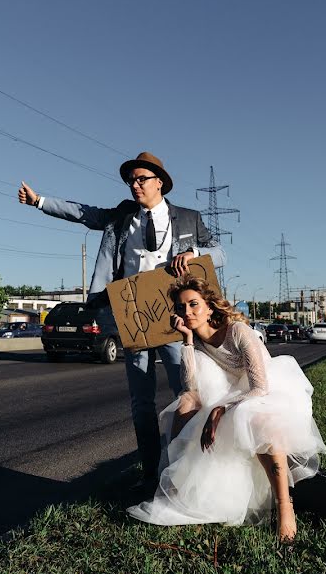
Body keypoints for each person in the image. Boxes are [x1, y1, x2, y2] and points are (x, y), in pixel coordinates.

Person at [18, 152, 226, 493]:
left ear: (160, 182)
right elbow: (83, 213)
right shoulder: (121, 216)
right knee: (141, 401)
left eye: (142, 179)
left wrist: (194, 256)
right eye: (131, 180)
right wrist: (40, 201)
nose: (135, 185)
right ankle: (150, 473)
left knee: (186, 392)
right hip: (134, 317)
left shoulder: (188, 219)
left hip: (173, 317)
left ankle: (188, 469)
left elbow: (220, 252)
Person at [127, 276, 326, 541]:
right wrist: (187, 339)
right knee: (185, 404)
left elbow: (259, 387)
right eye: (180, 307)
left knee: (253, 416)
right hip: (227, 393)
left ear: (210, 308)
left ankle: (285, 507)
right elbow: (190, 385)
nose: (186, 312)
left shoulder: (238, 332)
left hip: (266, 389)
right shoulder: (197, 342)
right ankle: (178, 490)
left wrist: (220, 410)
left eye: (193, 305)